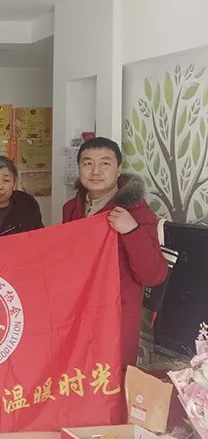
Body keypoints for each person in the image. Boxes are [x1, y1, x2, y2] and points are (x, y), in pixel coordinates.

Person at [63, 137, 168, 369]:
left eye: (105, 163)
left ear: (118, 169)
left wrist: (132, 230)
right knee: (75, 374)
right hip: (76, 311)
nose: (96, 171)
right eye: (88, 163)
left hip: (116, 314)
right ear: (79, 167)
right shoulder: (71, 208)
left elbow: (154, 275)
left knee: (109, 378)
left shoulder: (136, 212)